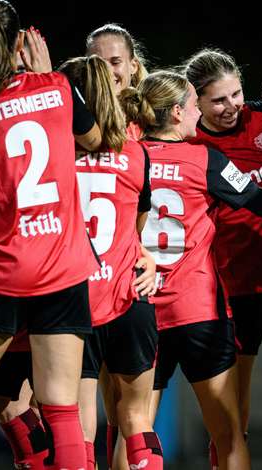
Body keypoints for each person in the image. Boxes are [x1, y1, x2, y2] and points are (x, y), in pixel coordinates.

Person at [0, 1, 103, 468]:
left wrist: (5, 217)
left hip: (3, 271)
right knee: (61, 408)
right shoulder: (60, 88)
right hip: (65, 266)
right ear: (20, 44)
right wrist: (47, 75)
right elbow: (93, 140)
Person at [119, 69, 262, 470]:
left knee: (135, 429)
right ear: (176, 112)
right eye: (195, 105)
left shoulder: (126, 155)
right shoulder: (204, 157)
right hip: (198, 311)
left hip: (141, 310)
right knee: (228, 433)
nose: (199, 115)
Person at [182, 50, 262, 465]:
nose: (231, 106)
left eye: (237, 93)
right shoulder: (190, 143)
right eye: (218, 100)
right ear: (195, 102)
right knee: (230, 421)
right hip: (229, 289)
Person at [59, 55, 160, 470]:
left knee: (79, 429)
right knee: (136, 420)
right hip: (128, 295)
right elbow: (135, 231)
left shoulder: (56, 153)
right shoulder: (137, 153)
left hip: (73, 300)